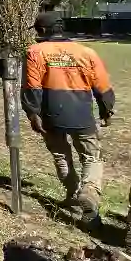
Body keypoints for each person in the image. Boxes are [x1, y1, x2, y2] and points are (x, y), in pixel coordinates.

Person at [23, 13, 115, 222]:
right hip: (82, 115)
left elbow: (32, 86)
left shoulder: (35, 52)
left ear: (43, 31)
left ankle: (73, 196)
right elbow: (102, 86)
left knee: (61, 156)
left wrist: (32, 113)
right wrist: (106, 111)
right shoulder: (86, 52)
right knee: (91, 157)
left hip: (51, 115)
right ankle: (89, 192)